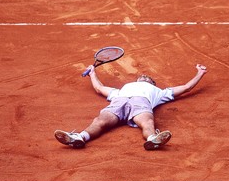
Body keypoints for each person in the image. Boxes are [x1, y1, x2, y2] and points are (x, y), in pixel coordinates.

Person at [54, 64, 207, 150]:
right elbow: (100, 88)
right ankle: (79, 137)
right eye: (143, 76)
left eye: (149, 78)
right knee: (100, 121)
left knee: (147, 123)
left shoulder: (159, 92)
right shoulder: (120, 90)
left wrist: (200, 73)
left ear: (153, 84)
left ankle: (153, 139)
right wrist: (93, 73)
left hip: (142, 102)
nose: (145, 76)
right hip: (119, 101)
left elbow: (186, 87)